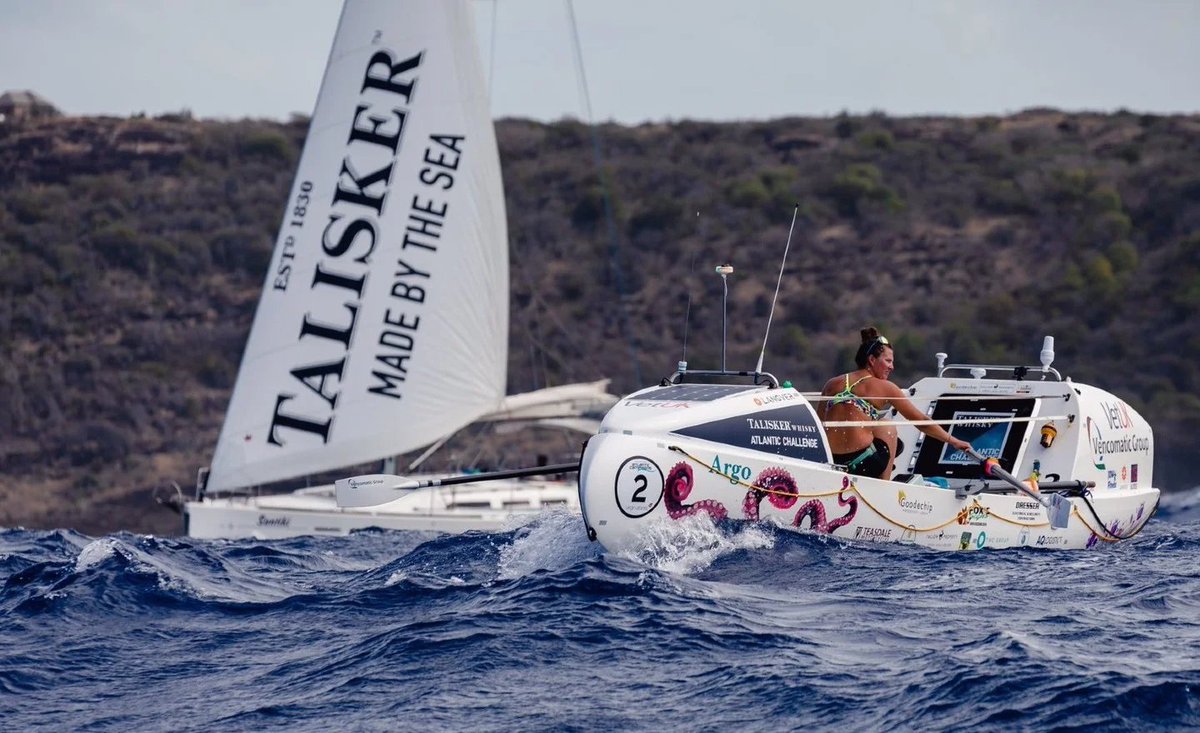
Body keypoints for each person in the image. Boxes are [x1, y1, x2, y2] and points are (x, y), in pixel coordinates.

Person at [819, 326, 971, 479]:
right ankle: (885, 486)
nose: (892, 367)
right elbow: (922, 421)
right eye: (888, 361)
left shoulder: (831, 384)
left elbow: (819, 426)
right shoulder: (886, 387)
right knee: (886, 426)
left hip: (831, 463)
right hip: (862, 464)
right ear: (872, 360)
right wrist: (953, 441)